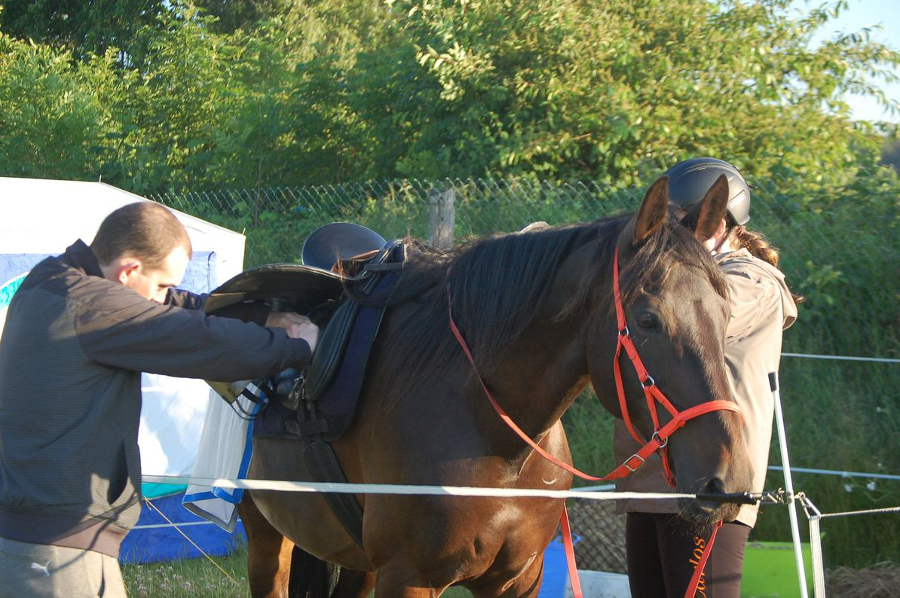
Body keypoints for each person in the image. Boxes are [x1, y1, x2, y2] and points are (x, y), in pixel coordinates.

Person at [0, 202, 319, 597]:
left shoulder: (50, 281)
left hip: (37, 531)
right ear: (129, 270)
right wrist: (296, 347)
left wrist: (262, 317)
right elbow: (199, 340)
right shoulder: (91, 307)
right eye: (161, 284)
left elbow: (177, 307)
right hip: (57, 548)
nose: (164, 295)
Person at [613, 157, 799, 597]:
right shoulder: (676, 275)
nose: (667, 235)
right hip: (652, 475)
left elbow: (687, 309)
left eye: (679, 222)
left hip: (712, 477)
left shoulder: (753, 281)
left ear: (719, 222)